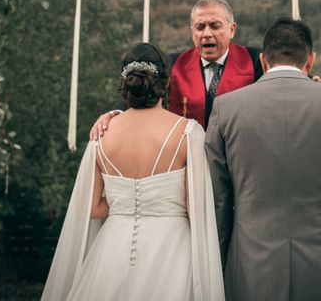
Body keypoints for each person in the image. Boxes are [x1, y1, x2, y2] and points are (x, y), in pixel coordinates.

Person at [205, 17, 321, 301]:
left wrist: (222, 262)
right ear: (310, 61)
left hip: (252, 269)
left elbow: (218, 201)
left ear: (263, 61)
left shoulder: (226, 108)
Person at [42, 43, 225, 301]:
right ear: (164, 81)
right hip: (171, 249)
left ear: (126, 83)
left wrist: (124, 203)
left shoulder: (101, 134)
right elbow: (196, 207)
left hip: (112, 247)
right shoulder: (188, 132)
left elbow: (90, 207)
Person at [89, 0, 321, 139]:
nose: (206, 34)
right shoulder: (171, 63)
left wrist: (319, 82)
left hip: (242, 165)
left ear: (232, 29)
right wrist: (113, 113)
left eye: (215, 26)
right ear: (191, 31)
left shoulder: (256, 60)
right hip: (184, 165)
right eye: (200, 27)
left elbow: (291, 77)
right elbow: (140, 92)